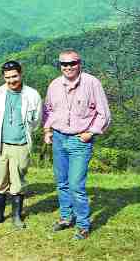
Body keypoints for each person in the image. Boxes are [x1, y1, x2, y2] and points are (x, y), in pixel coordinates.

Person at [43, 49, 111, 240]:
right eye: (64, 64)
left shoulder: (92, 83)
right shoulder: (54, 85)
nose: (68, 67)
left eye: (72, 63)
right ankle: (66, 217)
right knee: (62, 182)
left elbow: (104, 113)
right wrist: (47, 130)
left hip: (79, 140)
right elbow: (48, 110)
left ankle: (83, 225)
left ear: (79, 64)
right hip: (58, 137)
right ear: (60, 66)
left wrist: (91, 132)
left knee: (76, 185)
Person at [0, 61, 42, 229]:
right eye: (7, 77)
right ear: (3, 78)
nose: (11, 80)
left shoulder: (33, 95)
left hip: (21, 145)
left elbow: (36, 121)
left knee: (18, 182)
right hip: (0, 145)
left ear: (21, 74)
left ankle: (16, 216)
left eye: (14, 76)